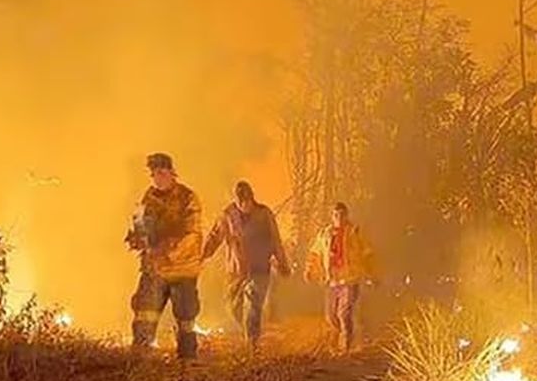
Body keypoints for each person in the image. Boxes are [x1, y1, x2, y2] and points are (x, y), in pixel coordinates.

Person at [126, 152, 204, 359]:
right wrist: (137, 237)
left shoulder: (188, 197)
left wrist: (168, 253)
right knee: (144, 313)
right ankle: (139, 361)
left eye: (161, 172)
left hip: (182, 269)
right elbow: (141, 223)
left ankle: (187, 363)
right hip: (154, 269)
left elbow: (193, 234)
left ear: (171, 172)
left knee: (186, 318)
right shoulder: (148, 197)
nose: (156, 178)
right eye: (153, 174)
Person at [202, 180, 291, 350]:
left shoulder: (264, 214)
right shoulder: (227, 215)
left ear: (252, 198)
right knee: (232, 307)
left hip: (260, 268)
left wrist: (282, 264)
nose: (245, 205)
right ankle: (250, 331)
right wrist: (202, 255)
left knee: (253, 303)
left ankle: (252, 343)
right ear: (236, 201)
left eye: (248, 201)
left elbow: (275, 240)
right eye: (241, 201)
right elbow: (215, 237)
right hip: (235, 271)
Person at [304, 201, 375, 352]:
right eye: (336, 215)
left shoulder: (355, 232)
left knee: (344, 312)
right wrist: (309, 270)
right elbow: (314, 254)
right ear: (332, 216)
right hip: (332, 280)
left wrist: (371, 272)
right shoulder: (325, 234)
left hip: (350, 279)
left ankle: (346, 346)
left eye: (342, 215)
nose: (339, 218)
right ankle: (339, 339)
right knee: (331, 316)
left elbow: (367, 252)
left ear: (347, 215)